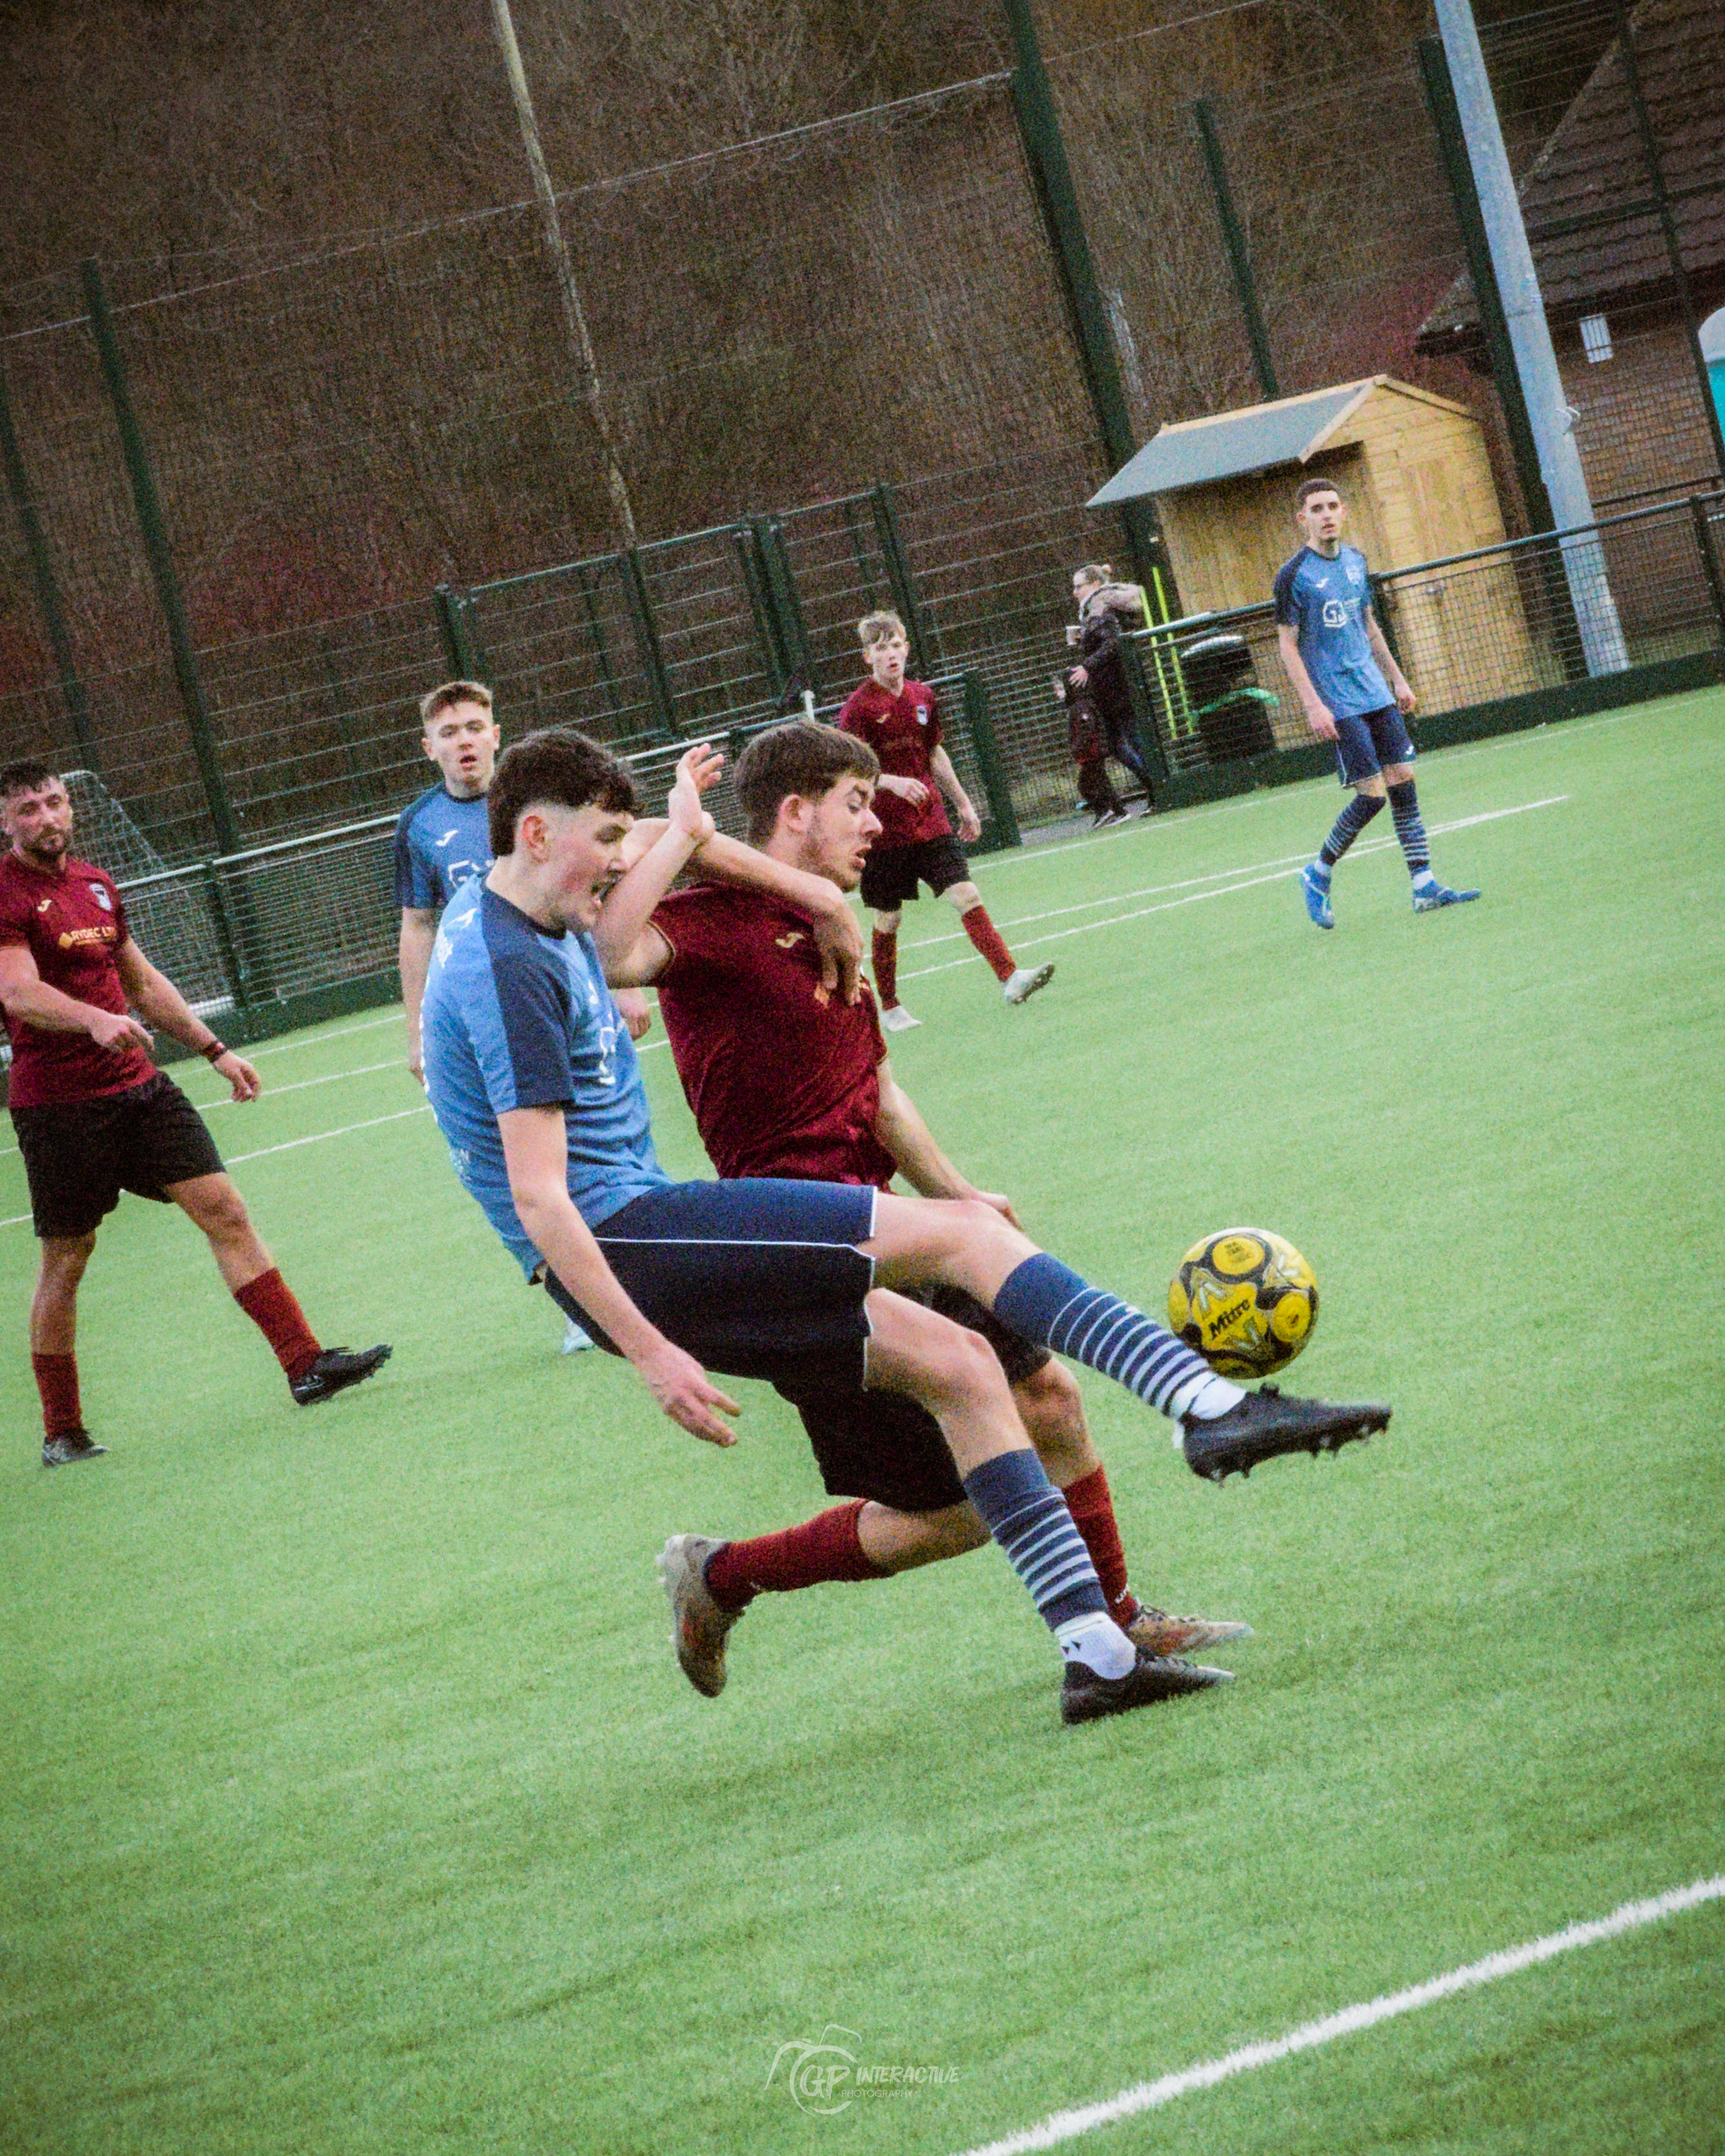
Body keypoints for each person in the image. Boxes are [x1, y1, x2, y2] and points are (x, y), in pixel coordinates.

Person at [420, 726, 1391, 1723]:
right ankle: (1205, 1406)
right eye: (606, 839)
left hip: (659, 1231)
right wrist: (646, 1353)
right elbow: (541, 1200)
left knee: (977, 1374)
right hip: (635, 1243)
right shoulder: (511, 967)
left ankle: (1099, 1655)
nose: (621, 860)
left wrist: (718, 851)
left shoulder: (520, 906)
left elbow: (626, 909)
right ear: (535, 835)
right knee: (969, 1245)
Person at [623, 718, 1249, 1679]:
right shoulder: (707, 917)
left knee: (1049, 1397)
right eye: (856, 804)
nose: (875, 825)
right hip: (801, 1256)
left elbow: (870, 1087)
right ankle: (724, 1573)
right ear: (794, 812)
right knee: (958, 1510)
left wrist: (960, 1198)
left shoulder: (831, 915)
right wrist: (688, 837)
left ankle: (1119, 1626)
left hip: (899, 1229)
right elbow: (614, 951)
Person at [0, 760, 391, 1466]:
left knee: (226, 1211)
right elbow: (18, 993)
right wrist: (90, 1019)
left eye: (55, 802)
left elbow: (142, 984)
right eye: (28, 809)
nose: (46, 818)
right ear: (7, 821)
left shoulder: (96, 884)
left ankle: (305, 1365)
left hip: (140, 1089)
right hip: (60, 1109)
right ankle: (62, 1430)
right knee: (68, 1257)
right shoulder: (5, 893)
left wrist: (215, 1050)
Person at [395, 678, 640, 1353]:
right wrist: (418, 1029)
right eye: (448, 732)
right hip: (504, 1000)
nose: (465, 741)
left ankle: (599, 1264)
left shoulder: (554, 798)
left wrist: (619, 987)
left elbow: (604, 898)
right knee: (534, 1148)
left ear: (496, 734)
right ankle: (582, 1285)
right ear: (429, 748)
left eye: (475, 727)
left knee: (593, 1121)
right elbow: (419, 925)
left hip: (556, 987)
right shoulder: (421, 828)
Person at [1275, 481, 1479, 929]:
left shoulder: (1356, 562)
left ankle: (1424, 885)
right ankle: (1318, 872)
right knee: (1371, 796)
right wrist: (1313, 705)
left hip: (1374, 691)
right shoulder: (1294, 575)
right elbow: (1287, 646)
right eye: (1316, 509)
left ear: (1343, 512)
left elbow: (1369, 625)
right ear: (1302, 519)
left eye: (1332, 506)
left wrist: (1398, 680)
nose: (1326, 514)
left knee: (1403, 780)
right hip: (1337, 700)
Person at [836, 611, 1052, 1032]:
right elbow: (849, 771)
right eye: (881, 648)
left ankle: (1010, 977)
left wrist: (965, 804)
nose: (891, 653)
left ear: (907, 647)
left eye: (896, 644)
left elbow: (935, 753)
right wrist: (893, 783)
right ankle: (891, 1006)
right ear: (868, 657)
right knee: (888, 919)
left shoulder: (923, 697)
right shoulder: (858, 709)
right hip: (882, 834)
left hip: (930, 823)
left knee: (966, 893)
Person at [1067, 563, 1152, 814]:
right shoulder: (1098, 608)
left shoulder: (1101, 607)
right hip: (1112, 688)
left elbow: (1113, 643)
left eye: (1078, 586)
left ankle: (1156, 786)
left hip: (1116, 688)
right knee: (1122, 742)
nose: (1075, 592)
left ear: (1094, 585)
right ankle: (1155, 787)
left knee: (1129, 741)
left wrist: (1087, 666)